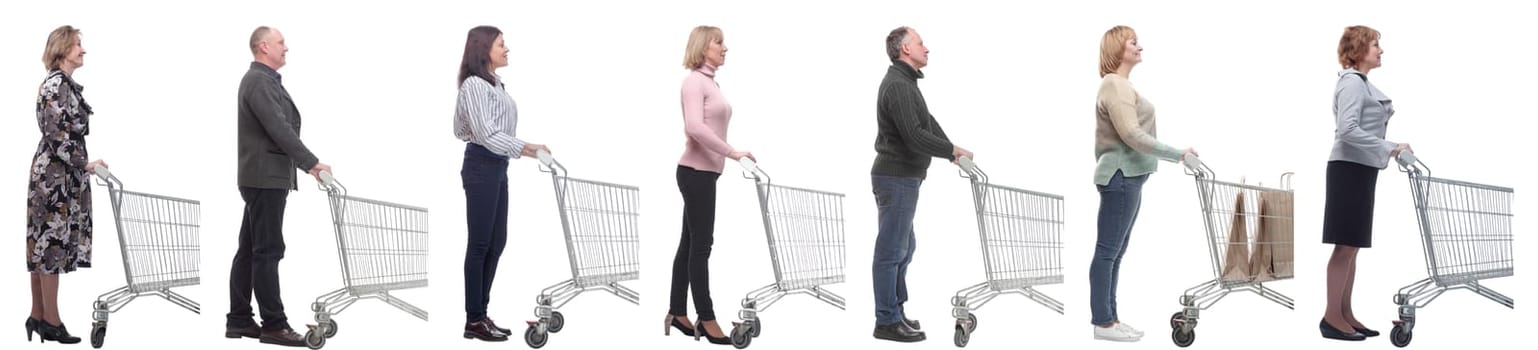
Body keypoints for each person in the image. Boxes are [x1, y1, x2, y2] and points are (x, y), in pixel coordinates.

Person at [1089, 25, 1198, 342]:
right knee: (1108, 252)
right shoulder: (1114, 85)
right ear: (1117, 49)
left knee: (1115, 252)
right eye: (1133, 42)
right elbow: (1132, 135)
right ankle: (1103, 322)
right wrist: (1177, 154)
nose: (1140, 47)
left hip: (1129, 177)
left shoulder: (1122, 86)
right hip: (1120, 175)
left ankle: (1109, 317)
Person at [226, 26, 331, 347]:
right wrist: (312, 163)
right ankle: (274, 324)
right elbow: (279, 129)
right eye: (281, 43)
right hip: (265, 178)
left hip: (262, 176)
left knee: (250, 249)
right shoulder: (258, 81)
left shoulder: (264, 81)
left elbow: (279, 128)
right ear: (263, 47)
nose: (286, 48)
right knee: (268, 251)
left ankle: (240, 319)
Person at [870, 26, 973, 343]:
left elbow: (926, 122)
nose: (926, 48)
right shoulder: (899, 86)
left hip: (905, 178)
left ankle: (895, 311)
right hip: (896, 176)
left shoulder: (906, 83)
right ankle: (886, 320)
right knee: (891, 251)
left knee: (905, 246)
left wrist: (951, 149)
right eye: (920, 43)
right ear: (904, 49)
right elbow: (914, 136)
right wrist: (949, 150)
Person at [455, 25, 551, 342]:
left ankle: (481, 314)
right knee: (480, 244)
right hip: (481, 165)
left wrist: (517, 148)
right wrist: (528, 149)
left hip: (497, 166)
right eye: (501, 44)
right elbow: (483, 134)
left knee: (497, 243)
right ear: (484, 50)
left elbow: (461, 128)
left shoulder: (495, 84)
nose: (506, 49)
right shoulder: (473, 85)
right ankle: (474, 318)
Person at [665, 25, 752, 346]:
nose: (725, 47)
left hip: (705, 173)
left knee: (689, 246)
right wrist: (732, 153)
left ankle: (676, 312)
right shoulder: (693, 82)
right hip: (695, 172)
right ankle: (707, 316)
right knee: (702, 246)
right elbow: (694, 127)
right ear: (703, 48)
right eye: (719, 42)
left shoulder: (711, 82)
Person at [1320, 25, 1401, 342]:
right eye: (1375, 45)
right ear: (1358, 49)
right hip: (1348, 168)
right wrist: (1390, 147)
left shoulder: (1361, 84)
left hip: (1359, 169)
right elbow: (1347, 130)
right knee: (1345, 247)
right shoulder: (1353, 83)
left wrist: (1385, 150)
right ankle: (1331, 317)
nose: (1380, 50)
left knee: (1351, 248)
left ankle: (1345, 313)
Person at [25, 25, 105, 345]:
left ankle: (37, 314)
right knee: (50, 250)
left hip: (54, 177)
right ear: (62, 50)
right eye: (77, 46)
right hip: (53, 180)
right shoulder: (57, 85)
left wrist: (83, 164)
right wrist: (85, 164)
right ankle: (52, 322)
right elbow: (57, 135)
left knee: (43, 248)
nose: (82, 50)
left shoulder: (61, 85)